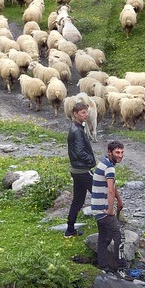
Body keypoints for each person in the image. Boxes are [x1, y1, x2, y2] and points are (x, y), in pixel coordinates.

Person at [88, 140, 126, 272]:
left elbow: (112, 186)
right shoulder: (109, 167)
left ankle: (103, 267)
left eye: (121, 152)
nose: (120, 155)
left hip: (96, 207)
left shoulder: (105, 162)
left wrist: (119, 201)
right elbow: (110, 190)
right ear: (110, 152)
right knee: (119, 237)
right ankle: (121, 268)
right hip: (103, 209)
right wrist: (110, 210)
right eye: (117, 152)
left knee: (104, 239)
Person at [64, 101, 95, 237]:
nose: (86, 115)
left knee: (78, 200)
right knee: (101, 194)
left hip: (76, 170)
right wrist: (91, 161)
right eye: (83, 112)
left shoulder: (77, 127)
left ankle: (70, 229)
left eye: (86, 112)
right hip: (82, 170)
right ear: (75, 114)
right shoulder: (76, 130)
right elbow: (79, 151)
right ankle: (108, 228)